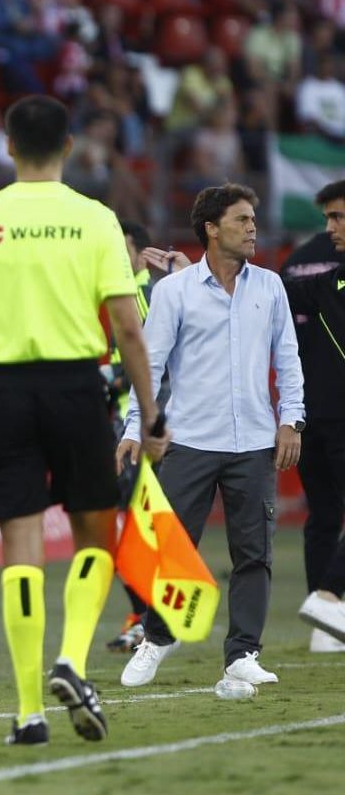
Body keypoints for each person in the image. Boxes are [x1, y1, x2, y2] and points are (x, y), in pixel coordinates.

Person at [0, 95, 168, 745]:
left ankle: (30, 710)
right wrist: (150, 413)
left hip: (0, 393)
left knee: (20, 549)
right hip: (74, 387)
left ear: (7, 146)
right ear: (67, 148)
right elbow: (128, 331)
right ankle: (73, 661)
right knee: (95, 534)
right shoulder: (94, 219)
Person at [120, 183, 303, 691]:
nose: (252, 229)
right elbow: (150, 367)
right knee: (173, 548)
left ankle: (242, 652)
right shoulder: (174, 291)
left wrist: (292, 420)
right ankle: (157, 638)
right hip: (189, 440)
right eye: (242, 220)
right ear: (211, 228)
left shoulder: (269, 287)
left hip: (255, 444)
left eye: (252, 220)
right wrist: (136, 427)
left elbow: (287, 361)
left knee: (254, 554)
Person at [282, 183, 345, 650]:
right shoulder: (332, 280)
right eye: (328, 218)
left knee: (322, 514)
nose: (330, 228)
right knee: (325, 512)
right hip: (329, 413)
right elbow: (274, 294)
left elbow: (275, 293)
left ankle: (326, 622)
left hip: (311, 409)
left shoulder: (320, 275)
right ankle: (327, 596)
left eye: (338, 217)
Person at [103, 220, 157, 655]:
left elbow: (152, 363)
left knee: (128, 532)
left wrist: (110, 378)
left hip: (137, 433)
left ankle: (145, 620)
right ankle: (142, 618)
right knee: (130, 529)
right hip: (128, 428)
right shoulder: (131, 295)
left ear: (140, 254)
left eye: (122, 249)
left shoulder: (141, 294)